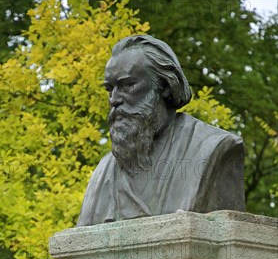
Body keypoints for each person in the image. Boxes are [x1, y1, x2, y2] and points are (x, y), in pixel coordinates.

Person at [77, 35, 245, 226]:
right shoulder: (103, 172)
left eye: (128, 85)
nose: (114, 100)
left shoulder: (213, 148)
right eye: (110, 89)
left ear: (165, 86)